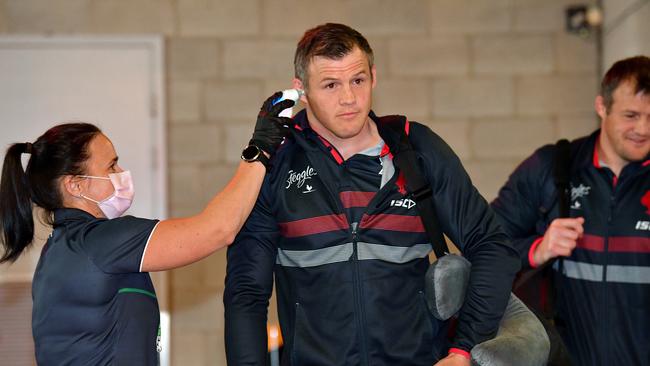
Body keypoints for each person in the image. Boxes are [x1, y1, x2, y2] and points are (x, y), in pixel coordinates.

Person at [224, 23, 520, 366]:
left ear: (374, 77)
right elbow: (246, 292)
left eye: (358, 80)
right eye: (331, 85)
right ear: (301, 89)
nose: (348, 98)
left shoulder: (416, 150)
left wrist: (463, 349)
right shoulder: (274, 162)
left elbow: (493, 247)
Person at [0, 93, 294, 365]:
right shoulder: (100, 243)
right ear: (75, 185)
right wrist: (260, 150)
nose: (121, 174)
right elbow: (217, 230)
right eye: (111, 167)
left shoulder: (61, 247)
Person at [491, 55, 650, 366]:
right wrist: (537, 249)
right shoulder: (552, 168)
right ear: (602, 107)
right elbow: (485, 245)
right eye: (631, 115)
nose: (643, 129)